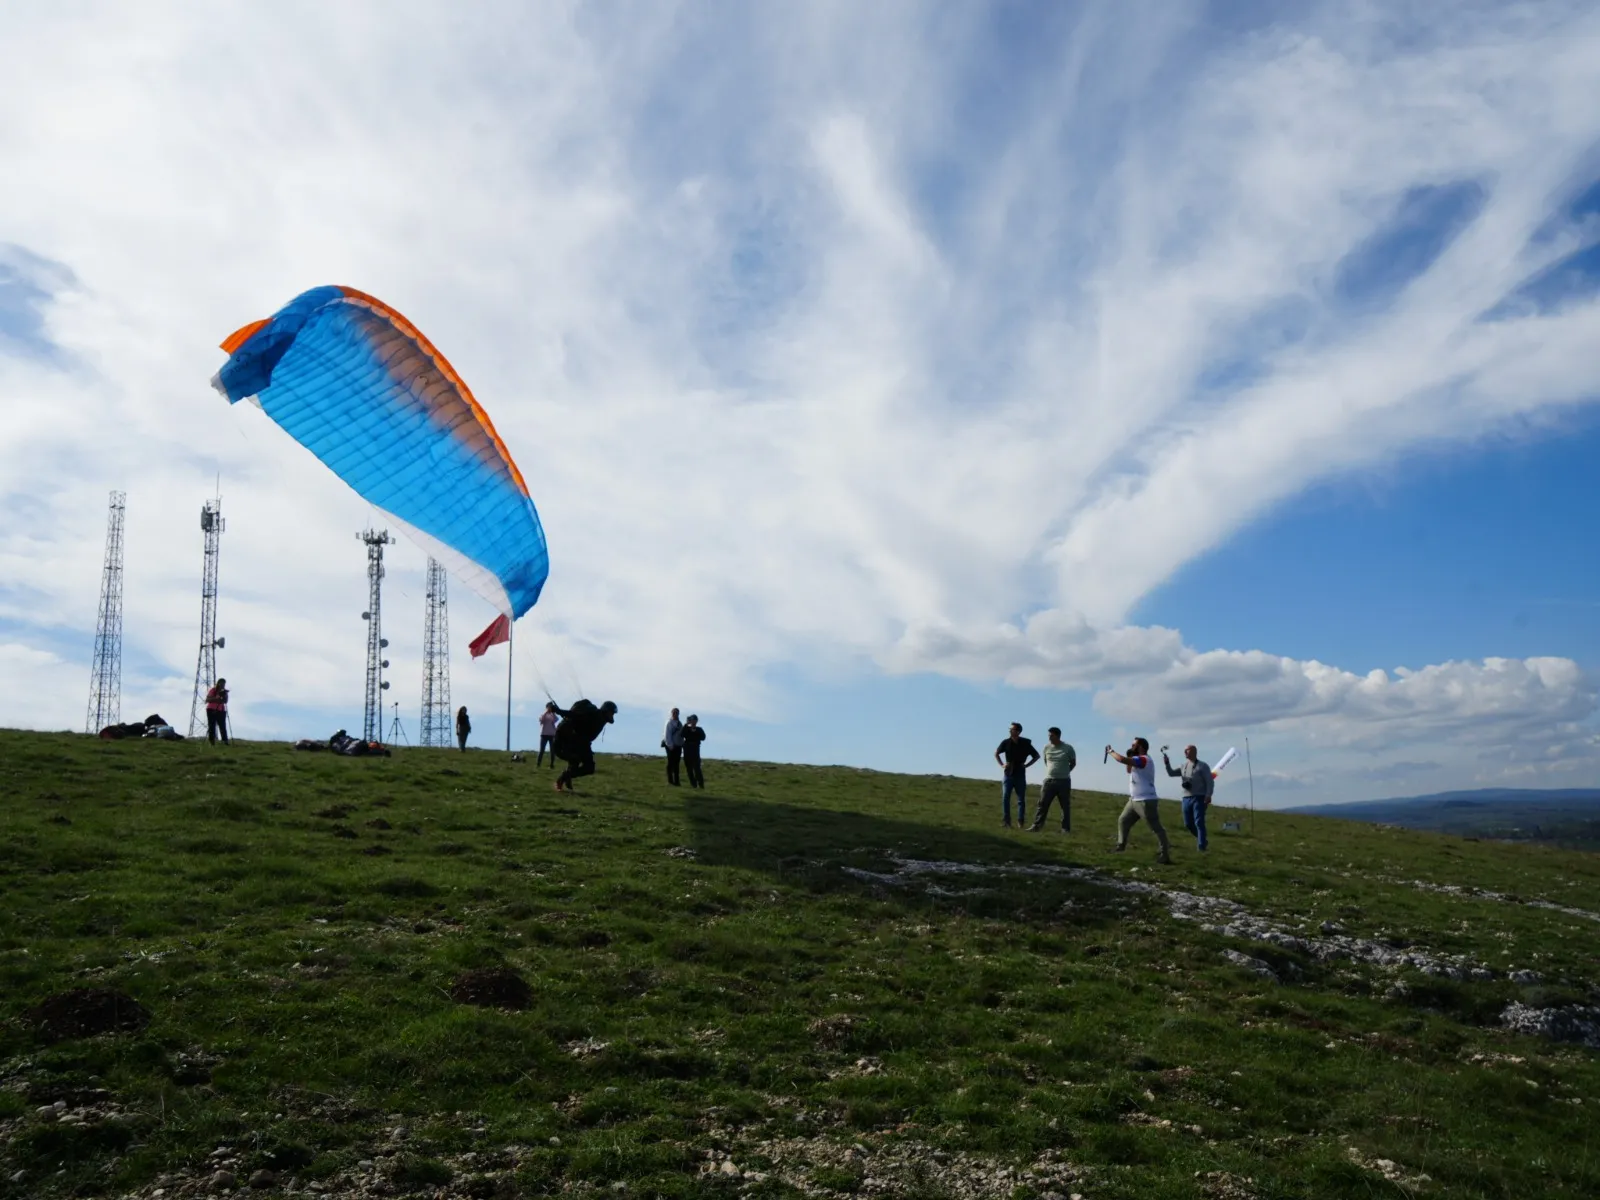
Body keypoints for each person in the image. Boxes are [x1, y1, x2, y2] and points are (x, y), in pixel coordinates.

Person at [1107, 738, 1171, 864]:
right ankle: (1121, 846)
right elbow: (1128, 770)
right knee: (1123, 820)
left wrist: (1111, 751)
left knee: (1156, 828)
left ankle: (1165, 855)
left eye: (1133, 745)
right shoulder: (1138, 760)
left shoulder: (1144, 759)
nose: (1131, 747)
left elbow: (1120, 759)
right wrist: (1130, 758)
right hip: (1135, 800)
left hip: (1146, 800)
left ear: (1140, 747)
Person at [552, 699, 618, 792]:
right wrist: (558, 711)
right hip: (574, 741)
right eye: (611, 713)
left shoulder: (601, 717)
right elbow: (574, 715)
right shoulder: (593, 714)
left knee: (589, 768)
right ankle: (563, 778)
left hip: (583, 743)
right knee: (575, 761)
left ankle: (565, 777)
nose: (612, 715)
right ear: (606, 711)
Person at [1164, 744, 1213, 851]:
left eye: (1187, 750)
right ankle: (1203, 839)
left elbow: (1210, 781)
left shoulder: (1203, 766)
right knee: (1188, 824)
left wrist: (1208, 795)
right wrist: (1167, 763)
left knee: (1199, 822)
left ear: (1194, 751)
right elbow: (1171, 773)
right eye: (1184, 750)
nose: (1185, 752)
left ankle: (1201, 847)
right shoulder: (1183, 766)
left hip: (1199, 797)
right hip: (1186, 798)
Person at [1028, 727, 1076, 833]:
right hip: (1049, 781)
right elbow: (1046, 762)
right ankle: (1036, 826)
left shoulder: (1068, 748)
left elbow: (1073, 763)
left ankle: (1065, 829)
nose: (1049, 737)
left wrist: (1065, 772)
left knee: (1065, 806)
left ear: (1057, 736)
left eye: (1051, 735)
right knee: (1042, 804)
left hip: (1064, 781)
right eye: (1048, 735)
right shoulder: (1046, 748)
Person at [993, 722, 1039, 828]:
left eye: (1012, 729)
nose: (1010, 731)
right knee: (1005, 797)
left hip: (1020, 773)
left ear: (1018, 731)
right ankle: (1006, 821)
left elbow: (1036, 756)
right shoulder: (1006, 742)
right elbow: (996, 753)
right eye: (1010, 729)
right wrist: (1002, 765)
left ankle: (1020, 822)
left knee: (1021, 799)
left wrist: (1027, 765)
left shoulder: (1025, 743)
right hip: (1008, 773)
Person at [682, 714, 706, 789]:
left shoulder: (699, 729)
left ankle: (701, 784)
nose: (693, 722)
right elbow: (682, 734)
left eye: (695, 720)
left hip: (695, 750)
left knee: (697, 768)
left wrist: (695, 732)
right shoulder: (686, 728)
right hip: (687, 749)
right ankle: (693, 784)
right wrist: (686, 724)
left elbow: (703, 737)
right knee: (689, 768)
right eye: (692, 720)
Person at [662, 707, 684, 786]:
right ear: (671, 714)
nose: (675, 714)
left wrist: (681, 744)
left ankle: (677, 781)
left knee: (676, 763)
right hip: (670, 746)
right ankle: (670, 780)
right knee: (670, 763)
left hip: (678, 745)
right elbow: (667, 735)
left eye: (677, 713)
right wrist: (670, 745)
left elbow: (681, 735)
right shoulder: (669, 723)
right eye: (674, 713)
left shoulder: (679, 723)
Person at [204, 678, 230, 745]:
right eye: (221, 683)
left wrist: (225, 695)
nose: (223, 685)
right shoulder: (213, 690)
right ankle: (212, 741)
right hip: (211, 709)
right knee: (212, 725)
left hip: (221, 710)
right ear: (218, 683)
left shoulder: (224, 691)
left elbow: (225, 701)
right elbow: (207, 699)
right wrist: (217, 698)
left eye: (224, 684)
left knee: (222, 726)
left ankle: (225, 741)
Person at [537, 701, 560, 768]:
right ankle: (538, 764)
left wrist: (553, 712)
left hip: (552, 735)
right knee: (542, 750)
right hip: (544, 734)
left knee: (552, 751)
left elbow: (556, 719)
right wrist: (546, 711)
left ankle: (552, 765)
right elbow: (541, 720)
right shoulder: (543, 714)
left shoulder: (552, 715)